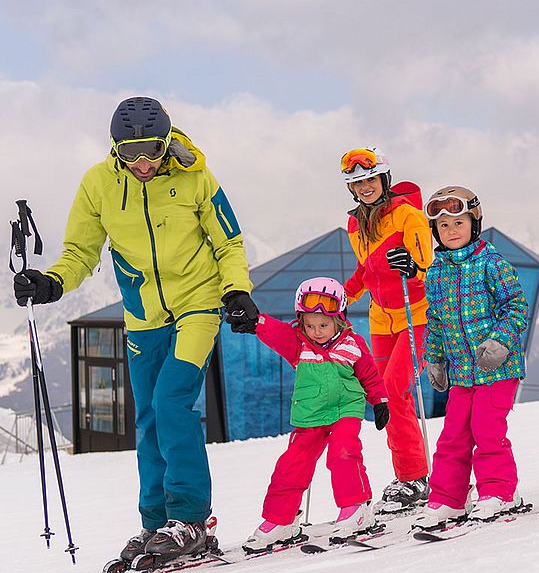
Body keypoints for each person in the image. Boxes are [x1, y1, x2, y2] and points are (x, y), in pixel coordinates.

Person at [12, 97, 259, 563]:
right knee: (147, 417)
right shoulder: (98, 184)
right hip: (143, 316)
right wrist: (51, 282)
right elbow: (80, 252)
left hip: (198, 306)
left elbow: (229, 241)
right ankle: (155, 522)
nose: (142, 162)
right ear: (115, 149)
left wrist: (236, 291)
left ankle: (190, 518)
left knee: (171, 403)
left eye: (150, 149)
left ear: (166, 143)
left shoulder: (196, 177)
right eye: (130, 152)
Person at [239, 277, 390, 550]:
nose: (316, 331)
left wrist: (379, 400)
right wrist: (257, 322)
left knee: (343, 453)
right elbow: (277, 333)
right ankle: (281, 519)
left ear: (339, 320)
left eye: (323, 325)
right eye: (309, 325)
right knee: (291, 464)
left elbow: (369, 374)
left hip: (346, 407)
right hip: (310, 412)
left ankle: (355, 510)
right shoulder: (299, 343)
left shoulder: (352, 344)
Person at [414, 186, 529, 529]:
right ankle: (448, 499)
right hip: (462, 373)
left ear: (474, 224)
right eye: (444, 225)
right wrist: (433, 358)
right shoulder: (435, 274)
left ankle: (499, 492)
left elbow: (515, 307)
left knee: (487, 429)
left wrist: (500, 342)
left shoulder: (492, 264)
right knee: (453, 435)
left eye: (458, 222)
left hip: (498, 367)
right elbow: (434, 321)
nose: (451, 230)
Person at [340, 148, 432, 512]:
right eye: (357, 182)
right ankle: (408, 474)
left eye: (370, 179)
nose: (365, 187)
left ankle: (415, 477)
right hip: (382, 319)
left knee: (396, 389)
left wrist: (412, 266)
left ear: (384, 179)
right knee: (382, 394)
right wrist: (339, 297)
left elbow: (427, 263)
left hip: (418, 316)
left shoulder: (408, 216)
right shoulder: (354, 225)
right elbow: (367, 270)